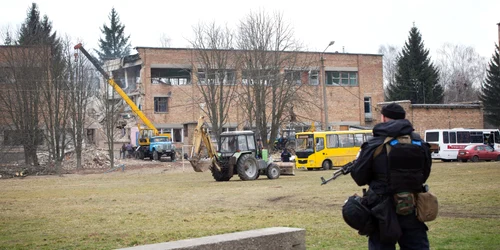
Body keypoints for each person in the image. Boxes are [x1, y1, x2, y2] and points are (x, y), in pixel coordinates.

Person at [350, 103, 432, 250]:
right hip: (412, 206)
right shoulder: (419, 142)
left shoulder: (375, 144)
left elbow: (359, 177)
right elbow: (424, 174)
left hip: (381, 209)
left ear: (383, 118)